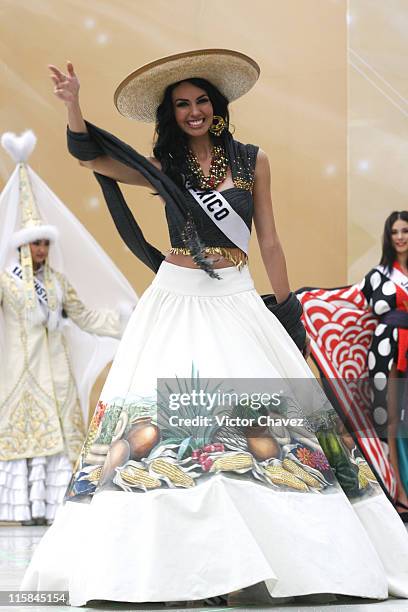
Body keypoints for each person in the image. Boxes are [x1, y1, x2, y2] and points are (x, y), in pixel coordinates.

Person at [22, 50, 408, 606]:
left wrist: (287, 309)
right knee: (175, 426)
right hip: (176, 300)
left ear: (217, 105)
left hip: (237, 297)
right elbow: (94, 161)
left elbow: (269, 238)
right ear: (171, 115)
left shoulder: (253, 160)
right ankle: (186, 567)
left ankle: (266, 565)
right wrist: (73, 106)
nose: (194, 111)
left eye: (201, 100)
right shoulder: (166, 163)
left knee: (258, 423)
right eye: (182, 104)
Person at [0, 130, 136, 525]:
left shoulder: (58, 282)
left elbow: (86, 317)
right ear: (21, 246)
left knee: (59, 444)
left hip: (56, 373)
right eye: (34, 244)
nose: (40, 250)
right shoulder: (7, 282)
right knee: (29, 443)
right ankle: (25, 511)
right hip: (22, 376)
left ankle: (52, 509)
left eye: (45, 243)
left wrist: (124, 321)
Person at [298, 211, 408, 521]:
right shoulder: (379, 275)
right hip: (387, 350)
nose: (400, 237)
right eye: (395, 232)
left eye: (406, 231)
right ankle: (399, 493)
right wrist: (310, 301)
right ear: (389, 237)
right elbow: (357, 302)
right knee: (392, 423)